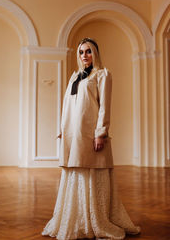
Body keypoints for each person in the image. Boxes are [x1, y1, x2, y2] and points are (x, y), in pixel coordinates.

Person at [42, 38, 140, 240]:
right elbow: (67, 105)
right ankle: (76, 218)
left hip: (90, 133)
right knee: (75, 171)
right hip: (73, 133)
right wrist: (63, 129)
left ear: (95, 53)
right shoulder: (74, 77)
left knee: (92, 171)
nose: (84, 55)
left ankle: (95, 219)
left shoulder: (102, 75)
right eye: (81, 52)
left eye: (88, 51)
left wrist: (100, 132)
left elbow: (104, 106)